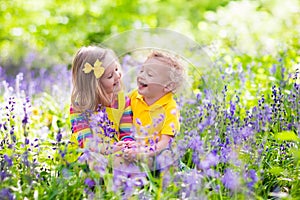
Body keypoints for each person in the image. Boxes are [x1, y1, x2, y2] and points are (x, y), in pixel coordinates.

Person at [66, 46, 134, 168]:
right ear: (94, 85)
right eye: (109, 76)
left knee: (128, 159)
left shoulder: (123, 101)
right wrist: (107, 149)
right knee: (94, 163)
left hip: (114, 150)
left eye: (117, 69)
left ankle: (120, 178)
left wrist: (128, 145)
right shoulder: (79, 107)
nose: (118, 76)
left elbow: (126, 132)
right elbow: (85, 142)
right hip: (88, 153)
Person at [122, 50, 186, 179]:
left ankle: (176, 182)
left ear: (167, 86)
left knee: (166, 159)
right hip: (137, 150)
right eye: (141, 71)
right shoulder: (135, 96)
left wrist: (144, 153)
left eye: (150, 74)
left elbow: (164, 143)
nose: (141, 76)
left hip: (158, 153)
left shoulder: (170, 108)